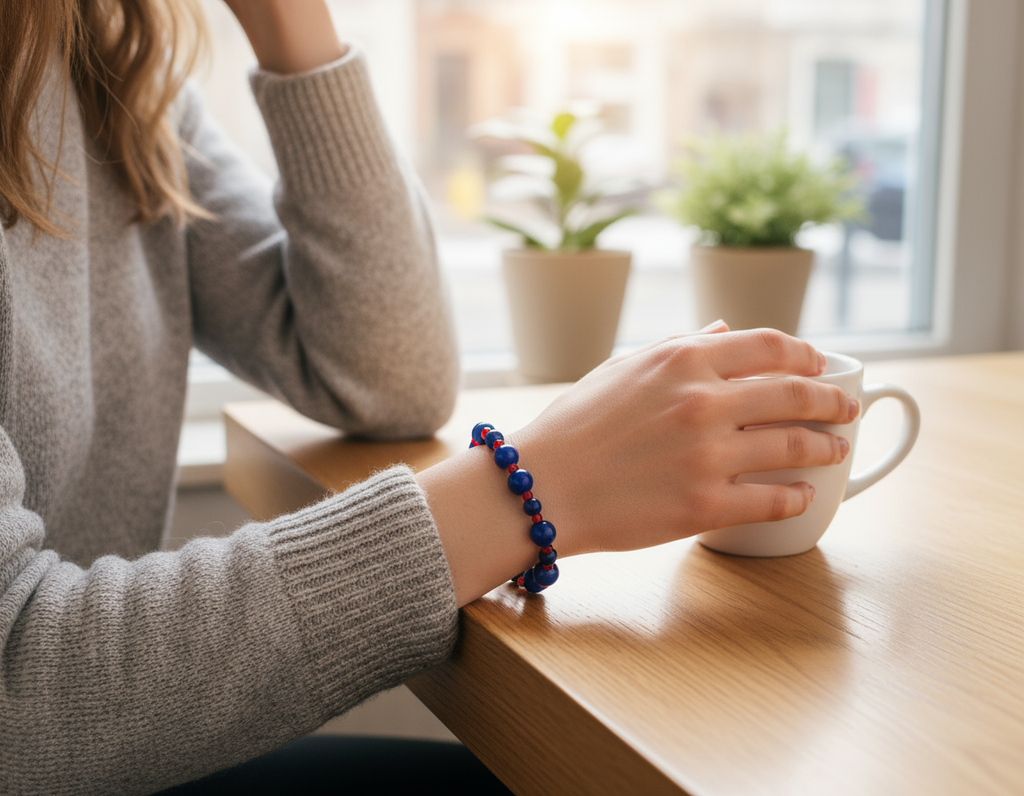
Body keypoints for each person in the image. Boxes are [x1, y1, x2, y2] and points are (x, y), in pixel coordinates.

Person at [0, 1, 859, 794]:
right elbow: (18, 687)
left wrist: (294, 29)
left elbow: (384, 373)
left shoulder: (107, 67)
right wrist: (533, 485)